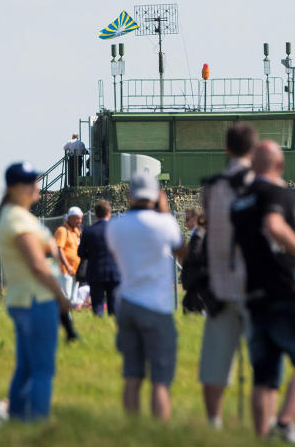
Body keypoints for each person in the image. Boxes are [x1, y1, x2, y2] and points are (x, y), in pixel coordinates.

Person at [231, 141, 295, 444]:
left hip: (253, 293)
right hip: (284, 289)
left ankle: (262, 438)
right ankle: (285, 423)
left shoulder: (239, 202)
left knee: (264, 376)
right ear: (279, 165)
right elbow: (274, 225)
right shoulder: (275, 193)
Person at [0, 162, 71, 421]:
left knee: (26, 367)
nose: (36, 185)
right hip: (36, 298)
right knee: (42, 370)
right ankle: (36, 422)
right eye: (29, 182)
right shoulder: (17, 217)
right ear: (14, 188)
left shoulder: (16, 215)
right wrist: (61, 296)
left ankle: (17, 418)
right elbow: (37, 265)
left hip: (23, 298)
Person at [105, 172, 186, 420]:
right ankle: (159, 432)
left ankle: (133, 428)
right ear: (157, 195)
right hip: (157, 306)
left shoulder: (115, 226)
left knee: (132, 374)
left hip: (127, 302)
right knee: (160, 379)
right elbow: (183, 254)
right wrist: (165, 212)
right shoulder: (165, 224)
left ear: (129, 195)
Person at [198, 122, 256, 427]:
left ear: (227, 147)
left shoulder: (211, 187)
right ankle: (265, 423)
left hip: (219, 284)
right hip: (254, 284)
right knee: (263, 362)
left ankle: (213, 422)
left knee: (214, 362)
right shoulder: (259, 183)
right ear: (253, 147)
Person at [77, 199, 120, 317]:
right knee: (113, 304)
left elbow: (80, 253)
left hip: (95, 270)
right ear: (109, 213)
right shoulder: (116, 229)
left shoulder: (88, 231)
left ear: (96, 214)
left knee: (97, 303)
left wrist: (91, 256)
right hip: (113, 270)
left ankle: (98, 320)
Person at [54, 207, 83, 301]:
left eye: (81, 218)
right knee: (66, 296)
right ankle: (64, 315)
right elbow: (59, 249)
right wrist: (67, 266)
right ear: (70, 218)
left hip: (76, 269)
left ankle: (73, 315)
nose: (80, 221)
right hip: (65, 270)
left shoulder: (76, 231)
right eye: (77, 218)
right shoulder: (62, 230)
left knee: (73, 297)